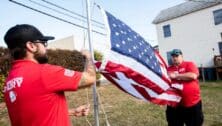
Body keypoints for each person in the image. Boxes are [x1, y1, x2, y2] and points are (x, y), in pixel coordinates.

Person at [3, 24, 96, 126]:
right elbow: (90, 78)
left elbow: (31, 112)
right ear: (31, 46)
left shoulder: (9, 81)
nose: (46, 47)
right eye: (43, 43)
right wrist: (88, 56)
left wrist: (72, 112)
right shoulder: (45, 72)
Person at [166, 49, 204, 126]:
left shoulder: (189, 64)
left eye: (177, 56)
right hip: (174, 105)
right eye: (173, 56)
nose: (174, 58)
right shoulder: (168, 69)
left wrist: (176, 76)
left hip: (192, 104)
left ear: (182, 56)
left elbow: (193, 76)